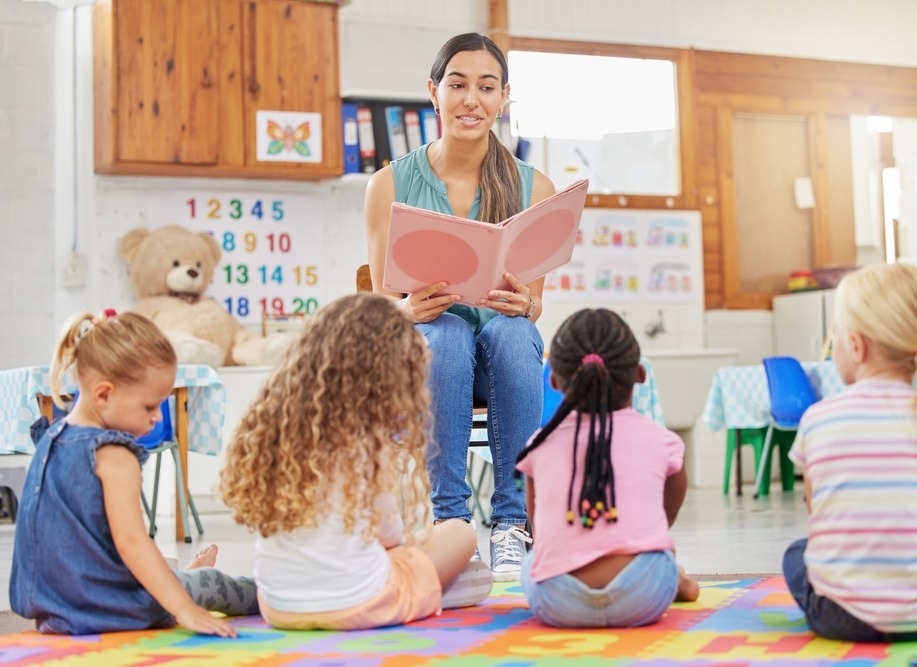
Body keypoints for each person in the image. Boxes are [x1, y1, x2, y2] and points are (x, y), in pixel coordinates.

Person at [364, 32, 557, 580]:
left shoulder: (532, 185)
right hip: (426, 358)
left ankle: (512, 524)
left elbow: (533, 304)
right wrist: (407, 310)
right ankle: (451, 525)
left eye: (487, 87)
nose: (472, 99)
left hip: (504, 360)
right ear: (434, 91)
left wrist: (525, 305)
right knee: (445, 333)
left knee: (513, 333)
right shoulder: (389, 184)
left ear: (503, 98)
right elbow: (381, 309)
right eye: (458, 84)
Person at [218, 293, 492, 631]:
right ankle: (434, 592)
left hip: (278, 606)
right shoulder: (366, 439)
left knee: (404, 552)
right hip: (360, 603)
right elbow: (388, 535)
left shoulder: (276, 429)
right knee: (461, 533)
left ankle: (429, 588)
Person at [783, 262, 917, 641]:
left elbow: (820, 521)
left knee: (797, 553)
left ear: (856, 346)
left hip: (837, 617)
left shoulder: (817, 419)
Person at [10, 310, 258, 636]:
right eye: (149, 406)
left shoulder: (48, 439)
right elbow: (131, 543)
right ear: (104, 394)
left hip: (51, 605)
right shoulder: (113, 455)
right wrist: (184, 610)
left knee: (165, 565)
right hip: (109, 608)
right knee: (215, 585)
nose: (157, 418)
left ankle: (180, 575)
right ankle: (277, 594)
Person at [514, 308, 699, 628]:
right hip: (644, 595)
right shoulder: (661, 440)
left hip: (558, 602)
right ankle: (677, 579)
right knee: (661, 555)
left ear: (555, 380)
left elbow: (541, 533)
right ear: (640, 375)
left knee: (531, 561)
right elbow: (662, 521)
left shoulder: (539, 444)